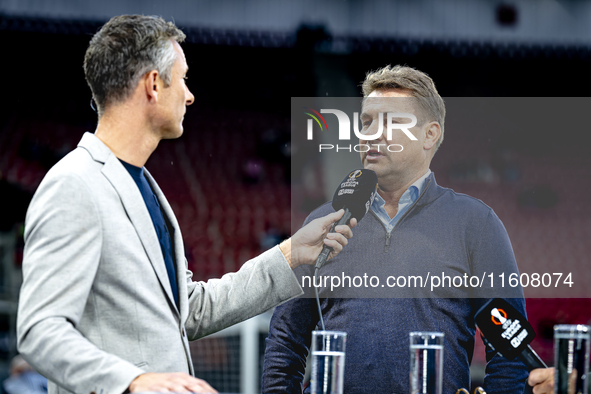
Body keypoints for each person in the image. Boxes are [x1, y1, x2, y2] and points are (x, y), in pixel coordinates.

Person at [16, 15, 356, 394]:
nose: (190, 94)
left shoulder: (143, 186)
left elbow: (189, 311)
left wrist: (291, 253)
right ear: (153, 85)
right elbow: (39, 330)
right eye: (183, 78)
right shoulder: (74, 184)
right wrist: (131, 381)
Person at [262, 65, 529, 393]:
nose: (372, 133)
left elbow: (509, 348)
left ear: (429, 134)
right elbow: (285, 340)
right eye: (367, 122)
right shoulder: (321, 225)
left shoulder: (476, 225)